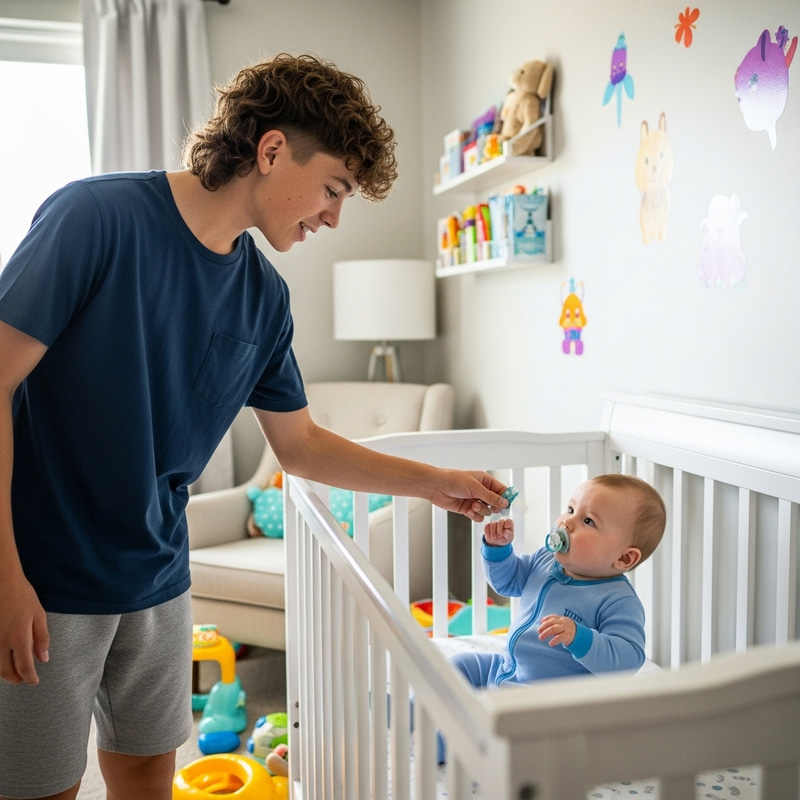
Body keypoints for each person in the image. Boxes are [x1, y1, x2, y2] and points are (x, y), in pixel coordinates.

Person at [0, 53, 509, 800]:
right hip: (45, 577)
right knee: (40, 785)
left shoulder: (264, 296)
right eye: (333, 188)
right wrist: (6, 576)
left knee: (148, 772)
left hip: (160, 577)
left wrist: (440, 484)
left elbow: (299, 446)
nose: (334, 216)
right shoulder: (93, 219)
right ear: (271, 151)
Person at [437, 474, 666, 761]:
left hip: (548, 702)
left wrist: (579, 637)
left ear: (624, 559)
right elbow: (509, 582)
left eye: (588, 521)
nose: (566, 523)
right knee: (461, 666)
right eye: (570, 510)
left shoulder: (617, 600)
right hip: (508, 668)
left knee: (494, 723)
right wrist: (498, 551)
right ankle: (412, 707)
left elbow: (628, 658)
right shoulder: (547, 559)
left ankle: (445, 742)